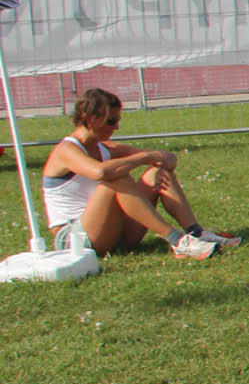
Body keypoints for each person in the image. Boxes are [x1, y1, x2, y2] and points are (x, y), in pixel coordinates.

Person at [39, 88, 234, 258]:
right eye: (111, 121)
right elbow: (100, 172)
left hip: (112, 233)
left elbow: (167, 160)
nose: (116, 127)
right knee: (116, 179)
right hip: (74, 240)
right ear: (91, 119)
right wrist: (143, 157)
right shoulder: (66, 150)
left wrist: (157, 159)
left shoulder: (105, 148)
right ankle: (178, 241)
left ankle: (197, 233)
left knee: (157, 173)